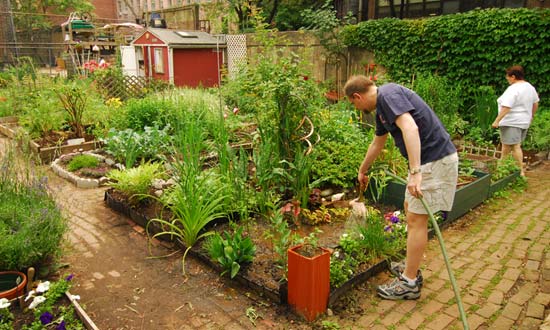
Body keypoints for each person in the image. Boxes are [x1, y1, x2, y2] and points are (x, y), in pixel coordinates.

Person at [343, 75, 458, 300]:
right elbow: (378, 142)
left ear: (357, 96)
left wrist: (416, 173)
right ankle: (411, 267)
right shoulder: (383, 109)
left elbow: (410, 128)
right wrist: (362, 170)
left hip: (433, 161)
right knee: (410, 209)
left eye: (353, 103)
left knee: (417, 220)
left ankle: (409, 282)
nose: (357, 108)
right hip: (428, 161)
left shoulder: (388, 94)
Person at [492, 65, 539, 176]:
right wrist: (531, 116)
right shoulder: (529, 87)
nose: (507, 79)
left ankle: (520, 171)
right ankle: (501, 168)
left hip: (512, 122)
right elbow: (535, 103)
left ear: (513, 77)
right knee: (506, 146)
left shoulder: (513, 89)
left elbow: (507, 106)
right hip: (523, 122)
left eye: (508, 77)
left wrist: (497, 120)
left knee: (515, 146)